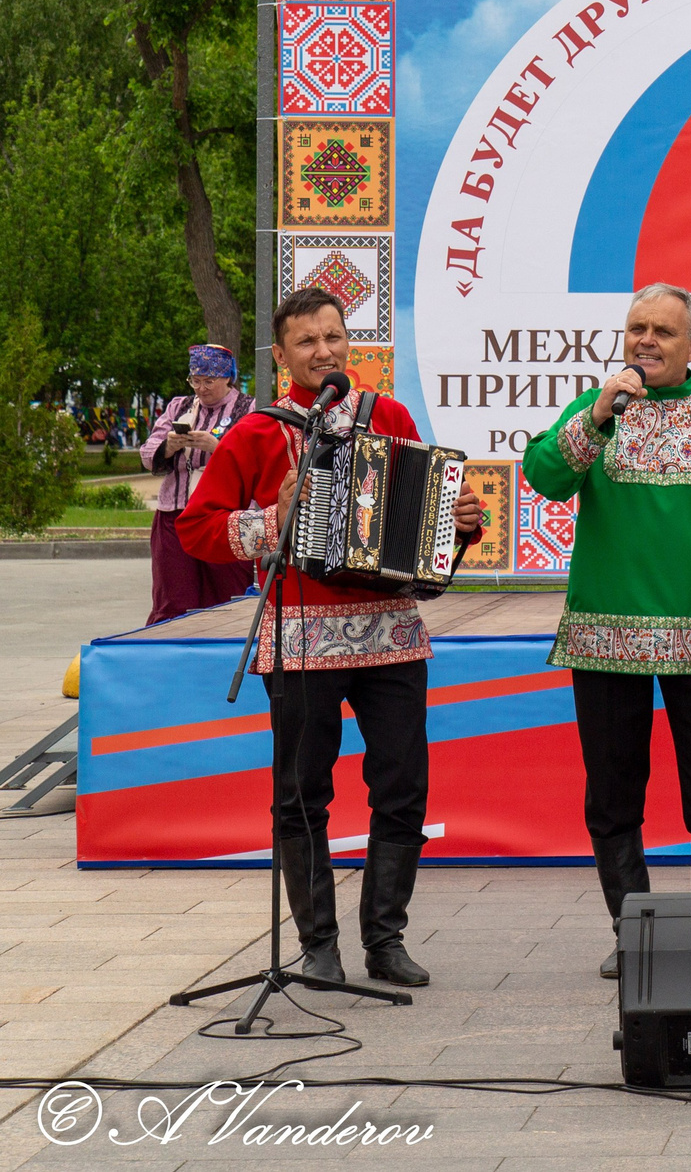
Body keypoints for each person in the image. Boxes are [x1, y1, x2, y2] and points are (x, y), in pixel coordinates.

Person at [176, 288, 484, 990]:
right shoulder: (256, 434)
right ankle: (318, 947)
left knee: (403, 786)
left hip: (393, 635)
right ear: (281, 356)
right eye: (308, 342)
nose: (325, 351)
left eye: (334, 337)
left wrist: (460, 521)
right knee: (301, 793)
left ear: (351, 343)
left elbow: (425, 522)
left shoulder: (389, 416)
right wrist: (267, 521)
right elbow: (196, 529)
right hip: (299, 638)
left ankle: (386, 938)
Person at [522, 283, 691, 980]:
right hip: (604, 637)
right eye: (637, 327)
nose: (646, 340)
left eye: (663, 331)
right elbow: (544, 476)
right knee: (612, 792)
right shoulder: (595, 408)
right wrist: (599, 415)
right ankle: (633, 931)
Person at [140, 345, 256, 624]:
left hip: (224, 518)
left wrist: (217, 446)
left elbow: (256, 461)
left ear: (228, 377)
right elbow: (147, 453)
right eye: (195, 380)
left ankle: (227, 657)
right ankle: (173, 655)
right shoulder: (179, 406)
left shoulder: (248, 408)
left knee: (227, 594)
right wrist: (169, 446)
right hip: (175, 515)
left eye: (209, 381)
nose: (201, 389)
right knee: (174, 596)